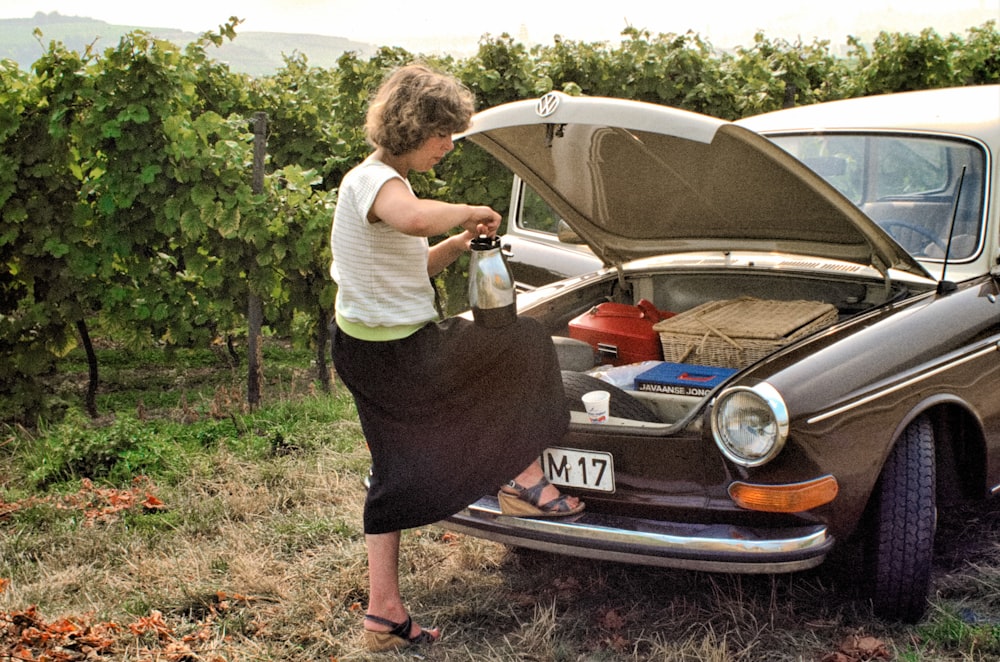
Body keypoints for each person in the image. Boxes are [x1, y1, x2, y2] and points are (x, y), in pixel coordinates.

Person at [329, 63, 584, 653]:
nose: (448, 144)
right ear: (412, 126)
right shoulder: (372, 183)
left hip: (370, 350)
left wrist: (454, 245)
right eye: (441, 132)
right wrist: (468, 211)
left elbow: (409, 266)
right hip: (396, 354)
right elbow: (413, 218)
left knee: (392, 474)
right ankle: (521, 478)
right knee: (523, 343)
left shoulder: (387, 186)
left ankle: (383, 614)